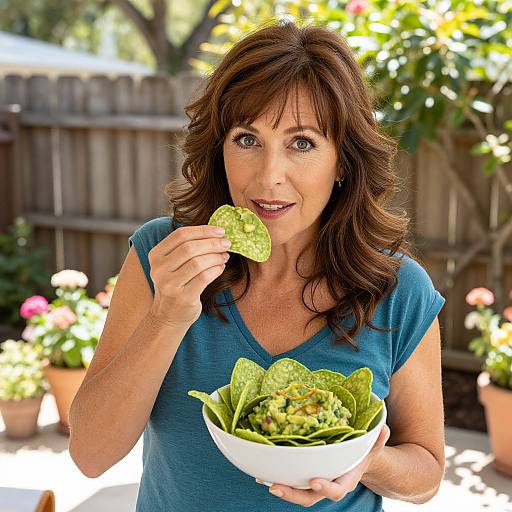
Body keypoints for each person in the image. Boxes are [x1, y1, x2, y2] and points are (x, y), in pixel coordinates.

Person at [69, 19, 446, 511]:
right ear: (219, 148)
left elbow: (426, 473)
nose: (269, 177)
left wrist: (365, 462)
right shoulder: (162, 257)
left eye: (302, 143)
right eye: (247, 139)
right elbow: (90, 454)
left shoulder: (398, 289)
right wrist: (168, 315)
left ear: (344, 163)